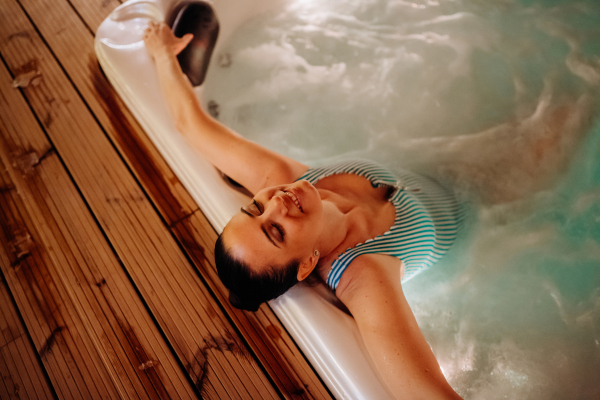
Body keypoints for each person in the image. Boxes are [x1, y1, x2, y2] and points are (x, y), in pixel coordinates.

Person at [143, 20, 467, 400]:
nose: (275, 204)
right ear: (307, 263)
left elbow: (191, 125)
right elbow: (426, 393)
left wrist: (164, 56)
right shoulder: (364, 275)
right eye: (276, 231)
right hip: (492, 217)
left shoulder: (279, 181)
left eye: (254, 209)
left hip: (444, 161)